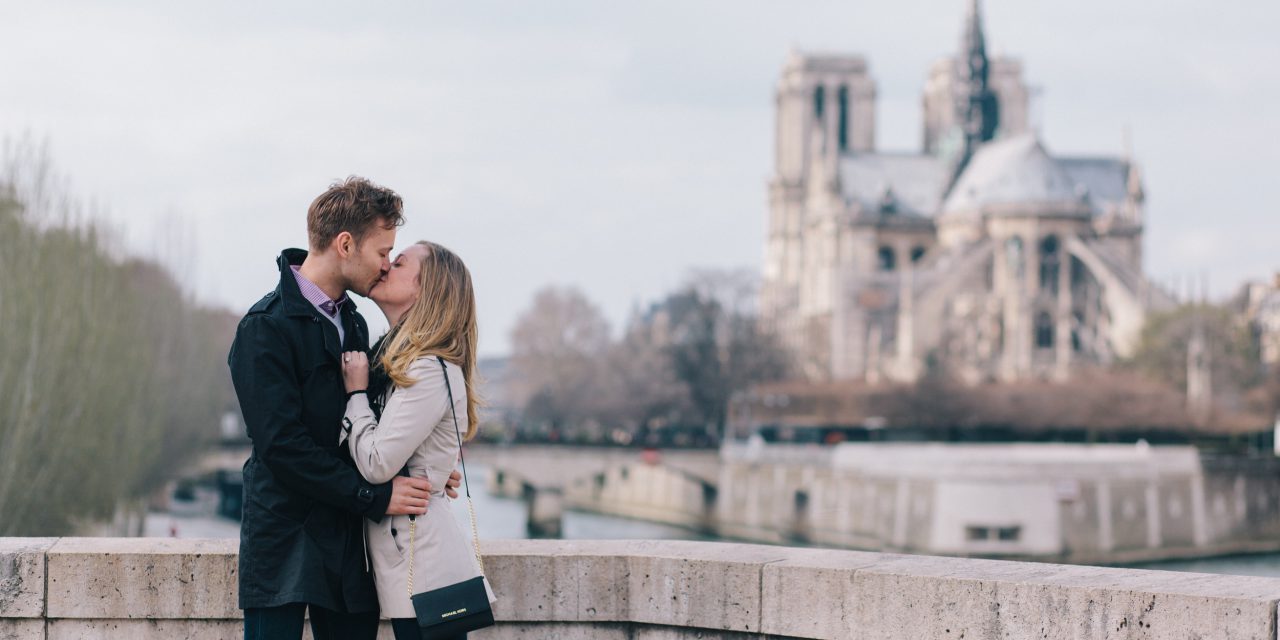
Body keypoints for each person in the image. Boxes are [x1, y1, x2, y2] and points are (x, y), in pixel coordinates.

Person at [227, 177, 461, 640]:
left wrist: (427, 465)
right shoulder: (264, 328)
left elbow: (373, 422)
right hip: (284, 541)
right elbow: (282, 447)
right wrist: (375, 497)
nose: (384, 266)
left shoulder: (352, 323)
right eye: (382, 252)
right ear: (346, 244)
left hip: (346, 545)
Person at [340, 241, 495, 640]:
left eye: (400, 262)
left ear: (426, 289)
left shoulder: (426, 369)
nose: (387, 265)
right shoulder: (407, 363)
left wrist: (355, 394)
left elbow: (376, 463)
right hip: (415, 563)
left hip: (426, 571)